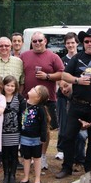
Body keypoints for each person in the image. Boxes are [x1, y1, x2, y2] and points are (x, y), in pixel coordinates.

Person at [56, 28, 91, 179]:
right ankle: (67, 167)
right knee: (68, 137)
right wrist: (77, 80)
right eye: (86, 41)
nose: (89, 44)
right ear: (83, 43)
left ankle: (88, 167)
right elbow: (64, 74)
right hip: (76, 104)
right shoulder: (77, 58)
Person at [20, 31, 64, 170]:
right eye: (34, 41)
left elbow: (61, 73)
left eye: (40, 40)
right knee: (27, 126)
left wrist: (48, 76)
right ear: (31, 43)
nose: (37, 43)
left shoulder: (53, 56)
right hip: (28, 98)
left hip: (47, 99)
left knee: (45, 128)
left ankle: (42, 156)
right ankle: (29, 154)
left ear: (45, 41)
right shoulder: (24, 55)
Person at [18, 85, 49, 183]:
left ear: (38, 96)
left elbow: (44, 124)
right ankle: (26, 176)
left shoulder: (40, 109)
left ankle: (37, 178)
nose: (32, 88)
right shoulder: (23, 104)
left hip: (36, 138)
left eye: (35, 89)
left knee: (36, 158)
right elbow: (19, 118)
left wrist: (43, 137)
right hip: (24, 137)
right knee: (26, 158)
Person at [55, 32, 79, 161]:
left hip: (77, 97)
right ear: (65, 45)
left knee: (75, 124)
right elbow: (59, 76)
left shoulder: (81, 59)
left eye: (72, 43)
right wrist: (63, 87)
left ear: (77, 43)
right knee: (63, 122)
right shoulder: (61, 60)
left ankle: (75, 150)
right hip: (62, 96)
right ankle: (61, 149)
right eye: (68, 43)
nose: (70, 45)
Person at [59, 80, 89, 171]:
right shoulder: (68, 100)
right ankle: (70, 163)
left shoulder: (82, 95)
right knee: (69, 135)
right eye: (61, 88)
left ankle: (80, 161)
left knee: (81, 135)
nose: (64, 90)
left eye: (66, 86)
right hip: (79, 124)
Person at [1, 75, 25, 183]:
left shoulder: (19, 98)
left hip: (15, 131)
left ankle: (13, 175)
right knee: (5, 154)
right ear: (3, 86)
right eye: (7, 85)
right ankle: (6, 174)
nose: (10, 88)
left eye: (12, 86)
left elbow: (23, 114)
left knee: (14, 154)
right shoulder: (0, 97)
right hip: (3, 131)